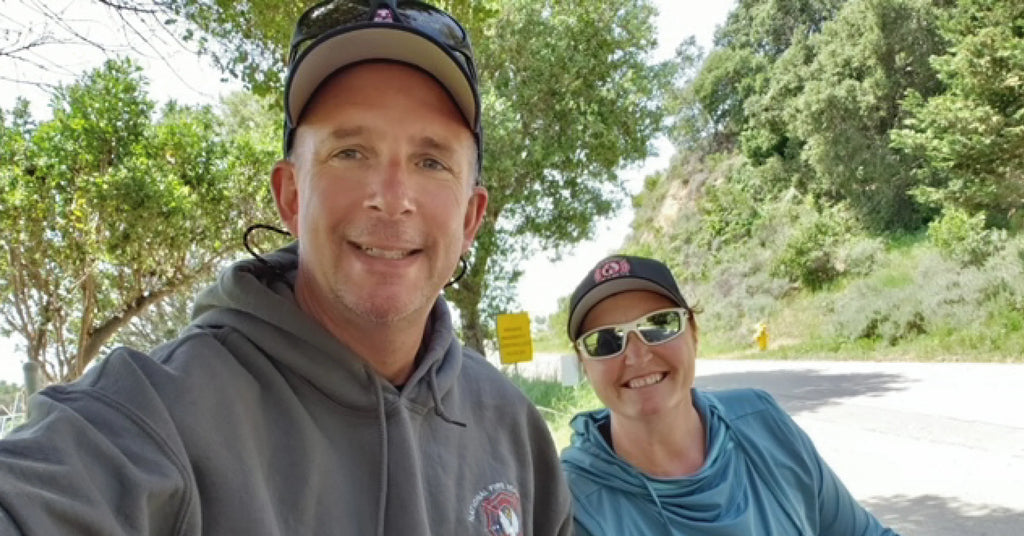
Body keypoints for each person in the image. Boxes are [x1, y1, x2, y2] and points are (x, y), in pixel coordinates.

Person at [0, 1, 572, 534]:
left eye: (430, 161)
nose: (392, 197)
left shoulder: (514, 427)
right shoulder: (157, 416)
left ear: (472, 216)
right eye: (350, 152)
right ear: (291, 195)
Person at [560, 254, 899, 535]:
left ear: (694, 333)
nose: (636, 355)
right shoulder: (570, 504)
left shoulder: (763, 422)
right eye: (605, 340)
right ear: (584, 364)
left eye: (659, 324)